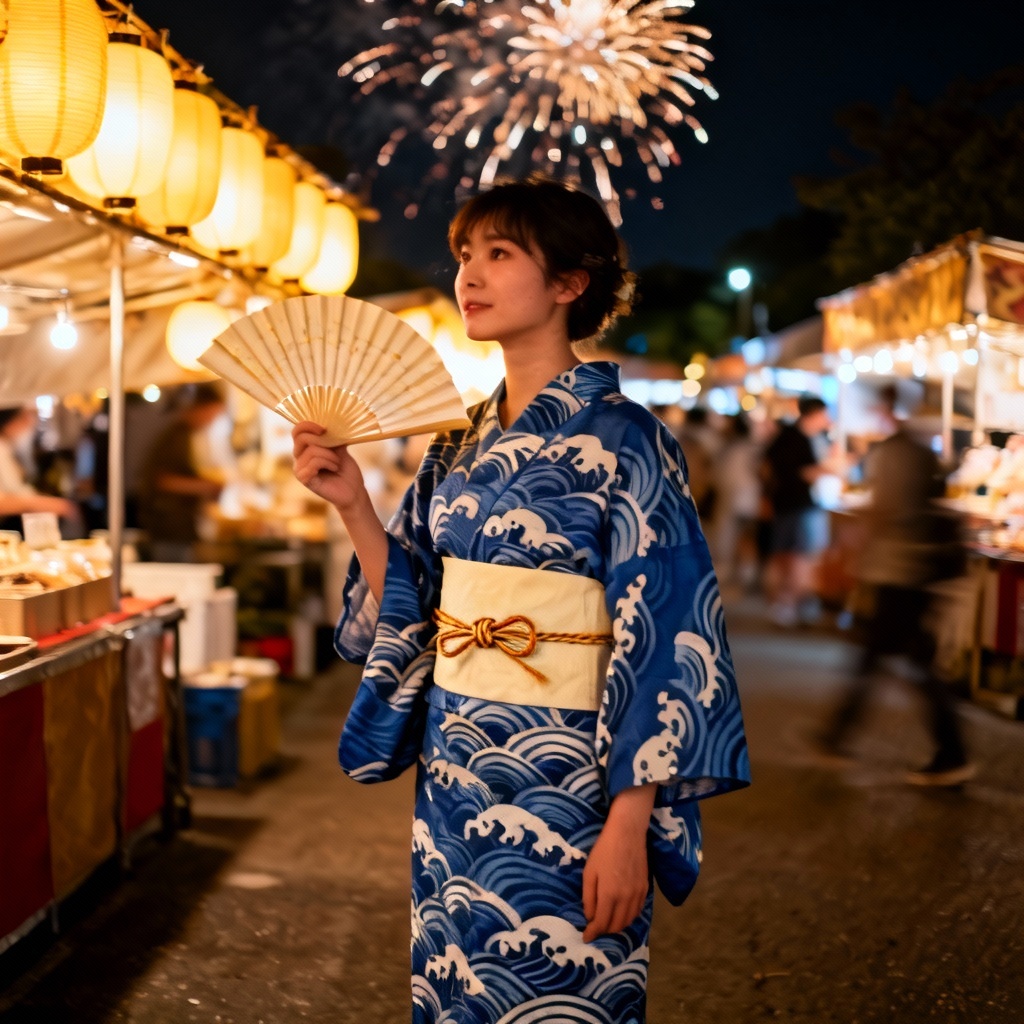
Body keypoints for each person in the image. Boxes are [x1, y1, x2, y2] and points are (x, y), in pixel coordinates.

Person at [292, 177, 749, 1021]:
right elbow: (415, 601)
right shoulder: (459, 440)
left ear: (571, 284)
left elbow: (668, 637)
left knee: (564, 990)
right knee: (455, 986)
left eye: (499, 255)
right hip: (457, 774)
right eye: (466, 255)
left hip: (571, 780)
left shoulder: (632, 441)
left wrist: (627, 826)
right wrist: (353, 503)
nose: (470, 274)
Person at [817, 384, 974, 786]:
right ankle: (839, 734)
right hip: (913, 570)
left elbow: (885, 510)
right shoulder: (921, 452)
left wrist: (854, 556)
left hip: (899, 571)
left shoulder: (895, 454)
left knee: (897, 659)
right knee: (890, 657)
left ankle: (950, 752)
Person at [761, 395, 835, 626]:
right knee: (796, 555)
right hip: (795, 504)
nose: (827, 419)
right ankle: (789, 603)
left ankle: (793, 603)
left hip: (805, 504)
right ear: (814, 414)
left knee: (798, 554)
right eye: (824, 414)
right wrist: (824, 470)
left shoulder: (818, 437)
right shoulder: (791, 437)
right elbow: (788, 471)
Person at [137, 383, 227, 561]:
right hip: (169, 526)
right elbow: (162, 480)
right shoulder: (176, 436)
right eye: (212, 414)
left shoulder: (188, 435)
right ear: (199, 408)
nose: (212, 420)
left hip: (179, 527)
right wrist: (206, 486)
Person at [0, 405, 81, 533]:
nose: (31, 422)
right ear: (9, 420)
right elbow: (3, 501)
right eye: (25, 417)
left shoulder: (7, 447)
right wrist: (54, 505)